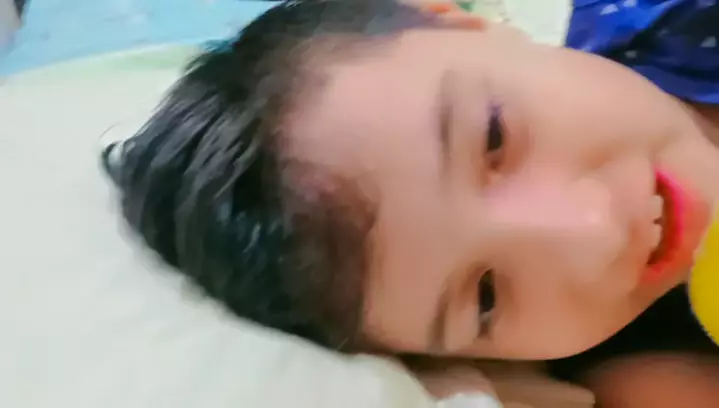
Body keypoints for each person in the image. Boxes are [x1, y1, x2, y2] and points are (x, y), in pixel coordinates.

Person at [102, 0, 719, 406]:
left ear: (459, 22)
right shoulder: (653, 375)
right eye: (486, 297)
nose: (596, 233)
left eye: (495, 136)